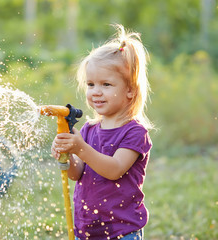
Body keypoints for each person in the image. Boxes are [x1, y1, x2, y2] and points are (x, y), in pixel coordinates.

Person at [51, 24, 153, 240]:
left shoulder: (134, 132)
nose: (96, 92)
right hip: (87, 229)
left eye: (106, 84)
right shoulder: (89, 130)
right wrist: (67, 156)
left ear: (129, 91)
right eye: (90, 84)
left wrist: (81, 147)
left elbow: (114, 169)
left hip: (121, 231)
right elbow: (77, 174)